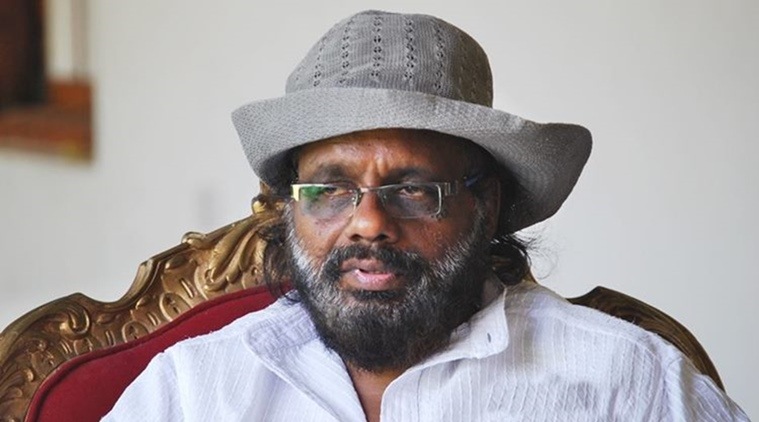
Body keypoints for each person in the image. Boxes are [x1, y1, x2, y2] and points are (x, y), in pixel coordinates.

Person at [104, 10, 748, 421]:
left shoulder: (626, 383)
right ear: (288, 207)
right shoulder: (192, 389)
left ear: (486, 203)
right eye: (330, 189)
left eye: (413, 189)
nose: (368, 223)